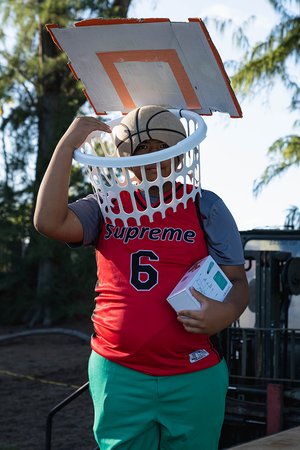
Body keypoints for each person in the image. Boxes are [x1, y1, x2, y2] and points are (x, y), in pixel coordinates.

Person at [34, 105, 249, 450]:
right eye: (140, 148)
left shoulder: (204, 205)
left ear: (179, 155)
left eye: (160, 146)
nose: (149, 157)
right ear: (124, 157)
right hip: (119, 372)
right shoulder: (106, 204)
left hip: (193, 374)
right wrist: (66, 145)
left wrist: (225, 313)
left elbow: (237, 282)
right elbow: (48, 222)